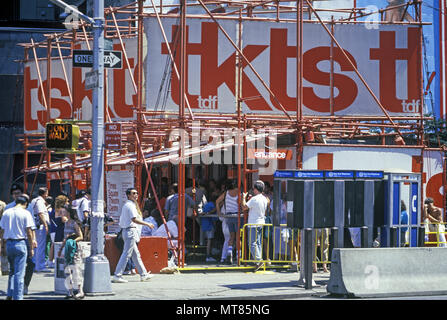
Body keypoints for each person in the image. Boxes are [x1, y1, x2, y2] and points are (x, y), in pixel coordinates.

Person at [112, 187, 155, 283]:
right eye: (133, 193)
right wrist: (147, 224)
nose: (136, 195)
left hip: (128, 231)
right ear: (128, 195)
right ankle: (117, 275)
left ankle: (143, 274)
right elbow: (134, 219)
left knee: (135, 255)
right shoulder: (130, 205)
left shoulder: (129, 205)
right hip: (130, 231)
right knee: (126, 254)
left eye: (136, 193)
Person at [0, 194, 34, 300]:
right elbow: (29, 231)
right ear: (25, 203)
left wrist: (2, 245)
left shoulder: (7, 212)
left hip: (9, 243)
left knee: (12, 271)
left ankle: (10, 293)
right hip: (20, 243)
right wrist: (31, 247)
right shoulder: (25, 213)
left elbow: (2, 230)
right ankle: (18, 297)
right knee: (19, 273)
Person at [57, 206, 84, 299]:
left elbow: (81, 236)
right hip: (67, 249)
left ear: (68, 212)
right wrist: (61, 249)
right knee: (67, 270)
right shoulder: (66, 223)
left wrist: (72, 242)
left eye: (64, 211)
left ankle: (80, 291)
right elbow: (65, 238)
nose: (62, 213)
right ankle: (70, 291)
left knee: (76, 269)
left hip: (75, 249)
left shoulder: (74, 223)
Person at [242, 180, 269, 271]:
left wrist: (243, 197)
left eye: (254, 189)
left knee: (252, 243)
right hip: (261, 222)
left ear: (256, 189)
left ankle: (258, 260)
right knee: (258, 243)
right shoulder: (264, 199)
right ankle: (258, 260)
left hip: (253, 223)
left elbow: (244, 207)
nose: (253, 190)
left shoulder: (254, 199)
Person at [216, 180, 243, 265]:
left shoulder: (226, 193)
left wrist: (219, 212)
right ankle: (239, 256)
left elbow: (217, 201)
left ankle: (229, 254)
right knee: (238, 237)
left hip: (229, 217)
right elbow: (242, 205)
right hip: (237, 216)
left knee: (231, 237)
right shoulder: (239, 193)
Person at [28, 187, 50, 272]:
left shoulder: (34, 200)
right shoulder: (40, 202)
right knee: (41, 246)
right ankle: (40, 266)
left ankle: (35, 265)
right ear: (45, 193)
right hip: (40, 226)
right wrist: (46, 225)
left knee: (36, 246)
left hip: (35, 226)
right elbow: (41, 214)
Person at [48, 195, 69, 269]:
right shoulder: (61, 210)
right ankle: (52, 261)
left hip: (53, 229)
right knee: (56, 246)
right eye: (67, 201)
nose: (68, 203)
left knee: (53, 245)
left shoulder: (54, 209)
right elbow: (64, 219)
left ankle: (50, 261)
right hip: (57, 230)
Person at [200, 194, 218, 262]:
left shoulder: (207, 205)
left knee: (208, 240)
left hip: (204, 224)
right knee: (209, 240)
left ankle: (209, 254)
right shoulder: (212, 206)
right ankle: (208, 256)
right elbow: (213, 215)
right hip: (209, 224)